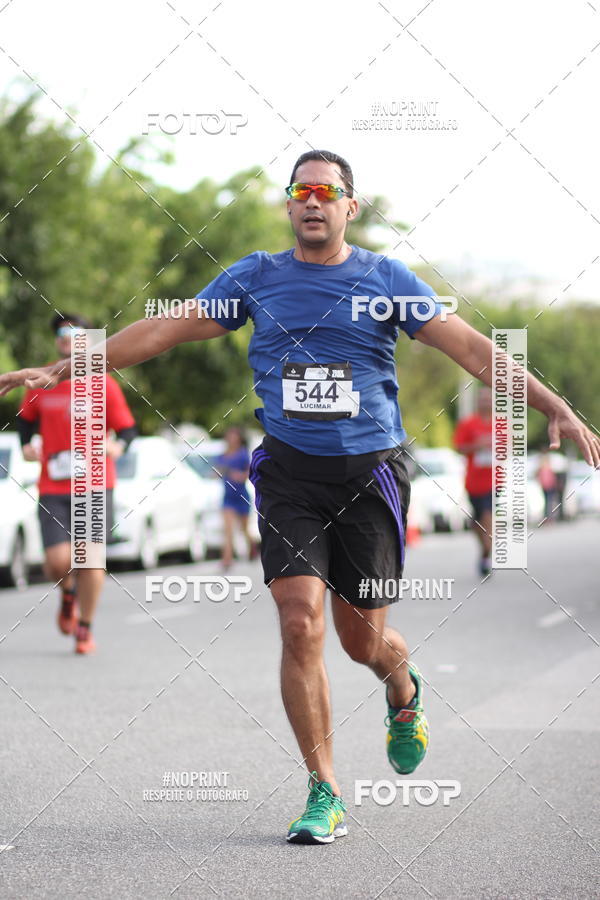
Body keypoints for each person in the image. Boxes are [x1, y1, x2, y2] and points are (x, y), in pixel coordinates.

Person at [1, 151, 598, 842]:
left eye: (327, 191)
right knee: (298, 623)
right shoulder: (255, 276)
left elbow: (470, 349)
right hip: (288, 476)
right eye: (301, 191)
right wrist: (67, 364)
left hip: (368, 478)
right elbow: (163, 328)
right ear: (289, 206)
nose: (313, 201)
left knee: (362, 640)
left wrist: (555, 405)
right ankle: (324, 790)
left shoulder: (387, 279)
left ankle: (401, 689)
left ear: (350, 206)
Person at [15, 313, 137, 654]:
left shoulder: (103, 382)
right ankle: (67, 593)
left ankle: (85, 627)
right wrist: (27, 446)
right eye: (62, 335)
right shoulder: (44, 380)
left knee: (90, 559)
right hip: (53, 486)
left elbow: (128, 429)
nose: (68, 340)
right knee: (57, 560)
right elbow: (26, 422)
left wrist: (117, 446)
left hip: (95, 484)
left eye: (76, 334)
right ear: (57, 341)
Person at [453, 387, 493, 575]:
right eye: (482, 399)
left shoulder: (500, 424)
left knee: (488, 517)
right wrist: (478, 446)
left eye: (488, 399)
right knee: (479, 521)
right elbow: (459, 447)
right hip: (474, 483)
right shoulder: (468, 424)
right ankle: (485, 552)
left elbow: (509, 448)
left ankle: (487, 551)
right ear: (478, 402)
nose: (485, 402)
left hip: (495, 481)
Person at [215, 426, 254, 569]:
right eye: (229, 436)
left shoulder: (243, 454)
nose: (231, 439)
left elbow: (250, 472)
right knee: (228, 529)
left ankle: (252, 548)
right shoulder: (222, 456)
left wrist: (240, 476)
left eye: (234, 436)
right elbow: (216, 472)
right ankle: (227, 559)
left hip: (242, 496)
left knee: (244, 529)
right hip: (228, 498)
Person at [537, 451, 558, 522]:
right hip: (547, 487)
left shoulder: (544, 469)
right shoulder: (546, 469)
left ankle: (548, 517)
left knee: (549, 502)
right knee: (549, 502)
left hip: (548, 487)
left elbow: (551, 478)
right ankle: (548, 517)